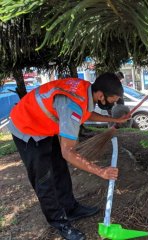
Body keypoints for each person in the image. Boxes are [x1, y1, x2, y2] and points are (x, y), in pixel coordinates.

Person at [8, 73, 129, 240]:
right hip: (27, 128)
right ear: (101, 95)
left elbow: (86, 114)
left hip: (43, 125)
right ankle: (60, 223)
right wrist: (100, 171)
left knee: (59, 169)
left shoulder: (86, 90)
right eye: (113, 99)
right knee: (43, 179)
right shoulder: (73, 105)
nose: (114, 102)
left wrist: (113, 119)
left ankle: (70, 208)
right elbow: (69, 152)